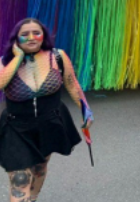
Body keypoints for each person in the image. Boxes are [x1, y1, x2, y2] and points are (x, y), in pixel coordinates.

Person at [0, 18, 93, 202]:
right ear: (16, 39)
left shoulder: (57, 56)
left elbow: (71, 83)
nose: (32, 37)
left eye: (36, 33)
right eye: (24, 35)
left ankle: (32, 198)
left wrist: (86, 110)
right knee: (20, 179)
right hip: (16, 127)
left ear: (44, 35)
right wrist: (18, 58)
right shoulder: (5, 61)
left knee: (39, 168)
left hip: (50, 122)